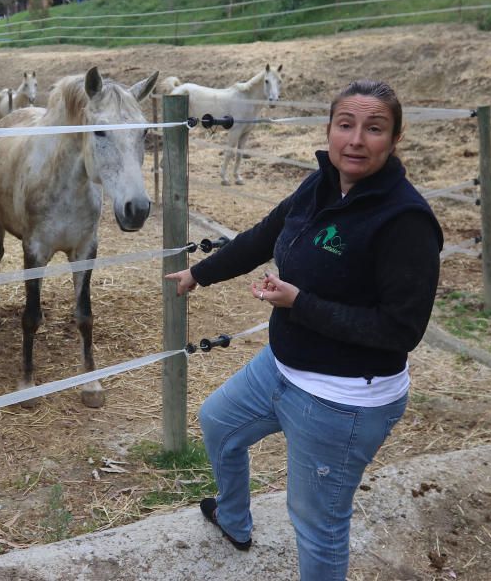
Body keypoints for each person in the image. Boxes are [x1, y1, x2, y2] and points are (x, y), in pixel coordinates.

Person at [165, 79, 443, 580]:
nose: (356, 139)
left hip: (343, 398)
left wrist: (300, 303)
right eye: (346, 125)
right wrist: (199, 273)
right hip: (283, 364)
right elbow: (264, 236)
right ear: (330, 130)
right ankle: (233, 519)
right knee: (219, 423)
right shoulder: (321, 184)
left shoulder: (405, 221)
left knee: (318, 526)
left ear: (395, 140)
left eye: (374, 128)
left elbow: (400, 330)